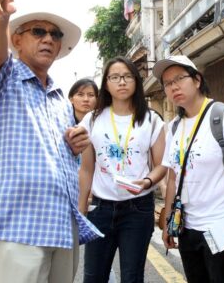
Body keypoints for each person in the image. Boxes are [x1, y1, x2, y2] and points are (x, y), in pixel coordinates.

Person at [0, 0, 101, 282]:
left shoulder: (60, 99)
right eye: (38, 31)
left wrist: (72, 145)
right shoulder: (5, 80)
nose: (48, 39)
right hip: (18, 227)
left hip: (62, 226)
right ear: (16, 40)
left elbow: (60, 158)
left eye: (55, 35)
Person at [155, 55, 224, 283]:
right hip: (188, 228)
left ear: (197, 80)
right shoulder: (174, 127)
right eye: (167, 83)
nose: (173, 87)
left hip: (222, 226)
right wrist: (169, 222)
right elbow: (172, 178)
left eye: (179, 78)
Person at [78, 56, 166, 283]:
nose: (122, 82)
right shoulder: (93, 119)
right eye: (115, 77)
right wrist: (80, 213)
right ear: (106, 83)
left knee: (132, 276)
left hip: (138, 209)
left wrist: (147, 181)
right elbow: (86, 169)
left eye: (127, 76)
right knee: (93, 276)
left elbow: (162, 165)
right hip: (100, 209)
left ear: (136, 81)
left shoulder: (151, 119)